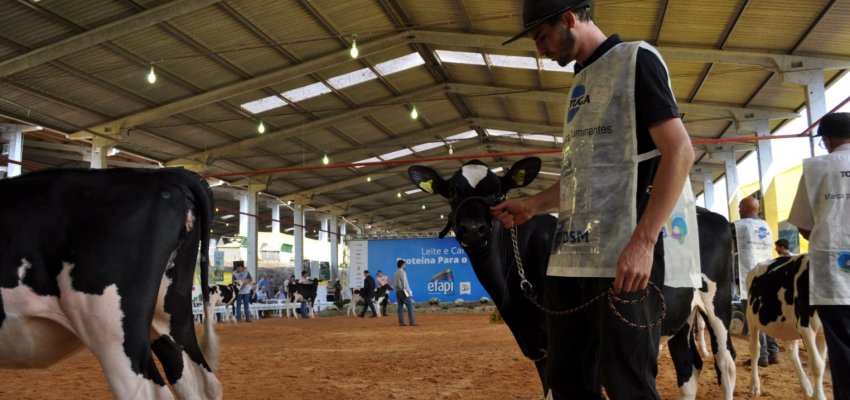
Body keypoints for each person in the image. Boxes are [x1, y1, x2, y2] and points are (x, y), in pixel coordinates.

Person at [494, 1, 695, 397]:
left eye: (542, 37)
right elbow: (581, 174)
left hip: (621, 263)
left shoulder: (636, 59)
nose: (540, 49)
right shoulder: (580, 83)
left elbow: (680, 151)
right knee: (566, 379)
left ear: (569, 19)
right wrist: (532, 206)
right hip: (570, 261)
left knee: (627, 382)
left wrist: (643, 242)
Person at [788, 112, 850, 400]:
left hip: (832, 269)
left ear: (827, 139)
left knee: (841, 347)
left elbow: (803, 223)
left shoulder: (816, 168)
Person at [734, 195, 780, 367]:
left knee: (754, 319)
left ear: (745, 210)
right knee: (768, 315)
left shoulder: (738, 227)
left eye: (740, 208)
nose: (738, 211)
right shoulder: (766, 226)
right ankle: (774, 352)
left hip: (750, 277)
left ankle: (762, 356)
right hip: (768, 276)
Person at [394, 259, 417, 326]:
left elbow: (395, 284)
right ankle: (412, 321)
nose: (405, 265)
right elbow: (405, 283)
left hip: (398, 291)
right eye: (404, 264)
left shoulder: (395, 273)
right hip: (403, 291)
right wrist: (408, 292)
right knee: (410, 306)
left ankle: (401, 322)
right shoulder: (403, 272)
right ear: (402, 265)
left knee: (400, 307)